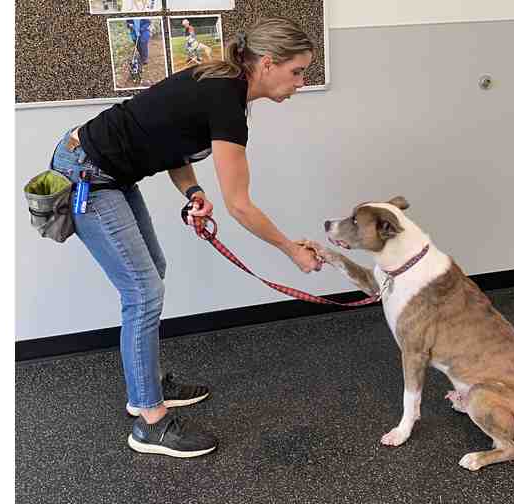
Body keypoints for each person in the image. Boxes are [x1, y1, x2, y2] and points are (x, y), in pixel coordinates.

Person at [50, 16, 319, 458]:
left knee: (151, 275)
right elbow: (241, 205)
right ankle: (149, 422)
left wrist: (192, 192)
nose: (301, 82)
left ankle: (149, 384)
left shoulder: (222, 82)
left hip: (109, 174)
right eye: (297, 71)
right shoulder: (225, 96)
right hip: (86, 175)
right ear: (268, 63)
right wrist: (292, 251)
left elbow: (175, 144)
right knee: (142, 291)